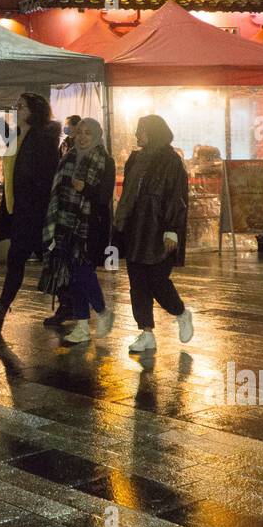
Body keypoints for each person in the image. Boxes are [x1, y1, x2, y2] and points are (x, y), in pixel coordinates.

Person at [0, 93, 61, 334]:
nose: (16, 108)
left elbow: (44, 175)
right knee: (35, 260)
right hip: (19, 209)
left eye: (21, 106)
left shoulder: (43, 138)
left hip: (33, 212)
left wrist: (37, 208)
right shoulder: (21, 135)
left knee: (30, 260)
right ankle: (70, 304)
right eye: (15, 105)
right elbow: (15, 161)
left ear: (35, 111)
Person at [115, 115, 192, 353]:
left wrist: (172, 229)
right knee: (137, 283)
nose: (138, 134)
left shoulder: (171, 160)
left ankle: (180, 312)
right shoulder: (135, 158)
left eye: (142, 130)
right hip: (134, 228)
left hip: (158, 228)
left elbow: (177, 195)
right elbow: (128, 193)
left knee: (158, 281)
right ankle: (146, 332)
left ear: (155, 132)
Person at [39, 118, 115, 344]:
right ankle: (82, 325)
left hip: (89, 226)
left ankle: (102, 312)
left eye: (87, 133)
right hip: (65, 223)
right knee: (73, 275)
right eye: (79, 132)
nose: (82, 137)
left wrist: (86, 189)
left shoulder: (104, 160)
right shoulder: (68, 157)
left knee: (83, 272)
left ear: (97, 135)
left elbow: (104, 198)